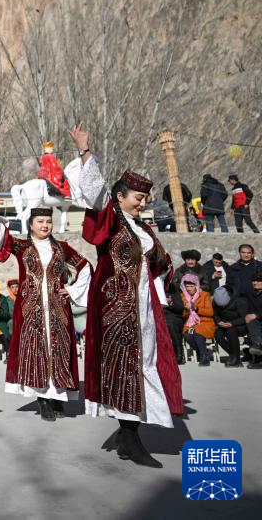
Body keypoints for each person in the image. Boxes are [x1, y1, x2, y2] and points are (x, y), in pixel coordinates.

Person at [64, 122, 182, 469]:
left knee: (143, 366)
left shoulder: (141, 227)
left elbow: (159, 262)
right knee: (126, 370)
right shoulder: (112, 218)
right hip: (117, 309)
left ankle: (128, 433)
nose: (142, 203)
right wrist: (85, 151)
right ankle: (130, 437)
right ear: (120, 196)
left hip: (143, 308)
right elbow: (95, 197)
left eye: (145, 199)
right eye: (137, 198)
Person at [0, 195, 92, 419]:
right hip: (30, 309)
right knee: (36, 351)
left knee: (58, 350)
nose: (45, 226)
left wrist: (72, 291)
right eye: (40, 222)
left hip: (57, 309)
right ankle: (43, 400)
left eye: (48, 222)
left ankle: (58, 398)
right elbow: (2, 239)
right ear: (31, 225)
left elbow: (85, 267)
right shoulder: (22, 246)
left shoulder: (62, 248)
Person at [180, 274, 214, 366]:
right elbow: (183, 315)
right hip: (190, 323)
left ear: (196, 285)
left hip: (204, 322)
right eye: (187, 286)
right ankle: (202, 351)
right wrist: (187, 309)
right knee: (187, 335)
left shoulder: (204, 295)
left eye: (192, 286)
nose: (189, 288)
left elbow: (210, 312)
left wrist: (196, 308)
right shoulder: (183, 296)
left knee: (197, 332)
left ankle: (204, 357)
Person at [212, 285, 248, 368]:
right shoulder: (215, 302)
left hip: (240, 325)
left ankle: (235, 359)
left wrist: (232, 323)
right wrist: (219, 322)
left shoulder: (239, 300)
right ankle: (234, 355)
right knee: (217, 334)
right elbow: (215, 315)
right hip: (225, 324)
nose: (222, 307)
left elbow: (245, 318)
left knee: (231, 331)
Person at [162, 278, 187, 365]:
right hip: (157, 315)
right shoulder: (151, 288)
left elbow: (180, 308)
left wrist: (171, 304)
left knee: (170, 323)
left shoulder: (172, 289)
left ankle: (179, 353)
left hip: (172, 315)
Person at [243, 273, 262, 369]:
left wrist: (256, 315)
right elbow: (250, 309)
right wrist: (248, 315)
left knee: (253, 321)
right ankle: (258, 355)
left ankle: (258, 345)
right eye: (253, 281)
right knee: (251, 321)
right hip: (258, 320)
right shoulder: (252, 294)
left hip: (259, 318)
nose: (255, 283)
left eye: (258, 281)